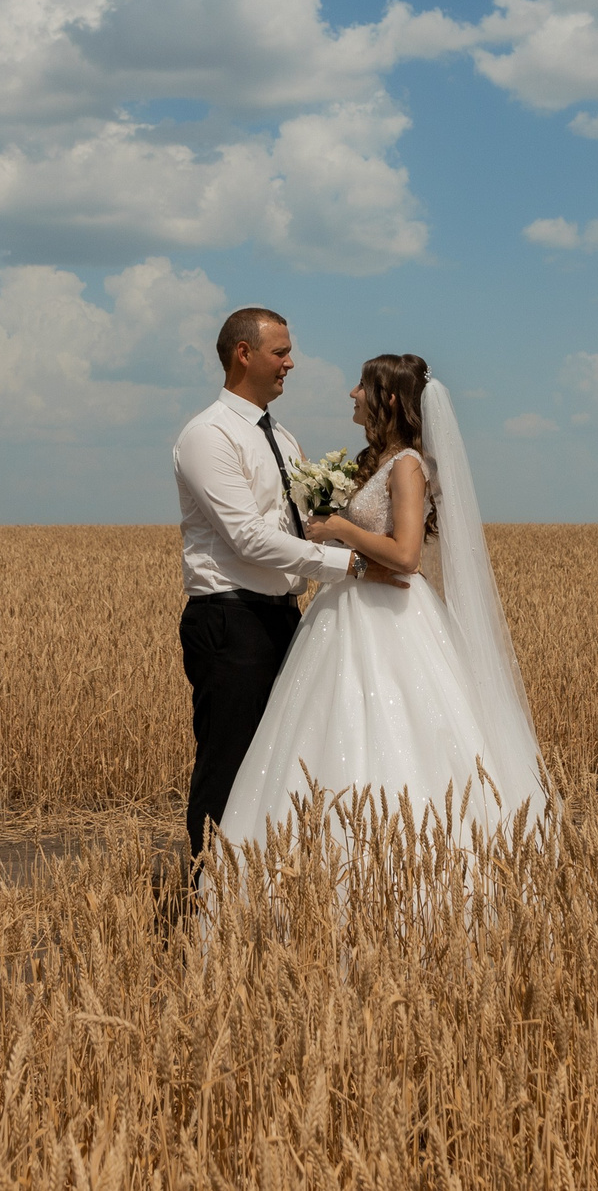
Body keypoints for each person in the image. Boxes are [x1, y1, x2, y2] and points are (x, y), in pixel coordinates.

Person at [210, 352, 548, 863]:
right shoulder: (379, 462)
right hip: (345, 610)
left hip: (388, 617)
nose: (351, 394)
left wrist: (341, 529)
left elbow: (407, 556)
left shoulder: (408, 466)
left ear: (388, 398)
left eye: (361, 386)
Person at [171, 308, 405, 874]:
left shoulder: (282, 436)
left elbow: (303, 521)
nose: (291, 363)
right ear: (243, 354)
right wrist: (348, 564)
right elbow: (248, 539)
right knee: (228, 764)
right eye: (280, 352)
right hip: (230, 621)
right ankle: (206, 897)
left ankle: (260, 889)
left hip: (283, 616)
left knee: (279, 760)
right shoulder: (209, 435)